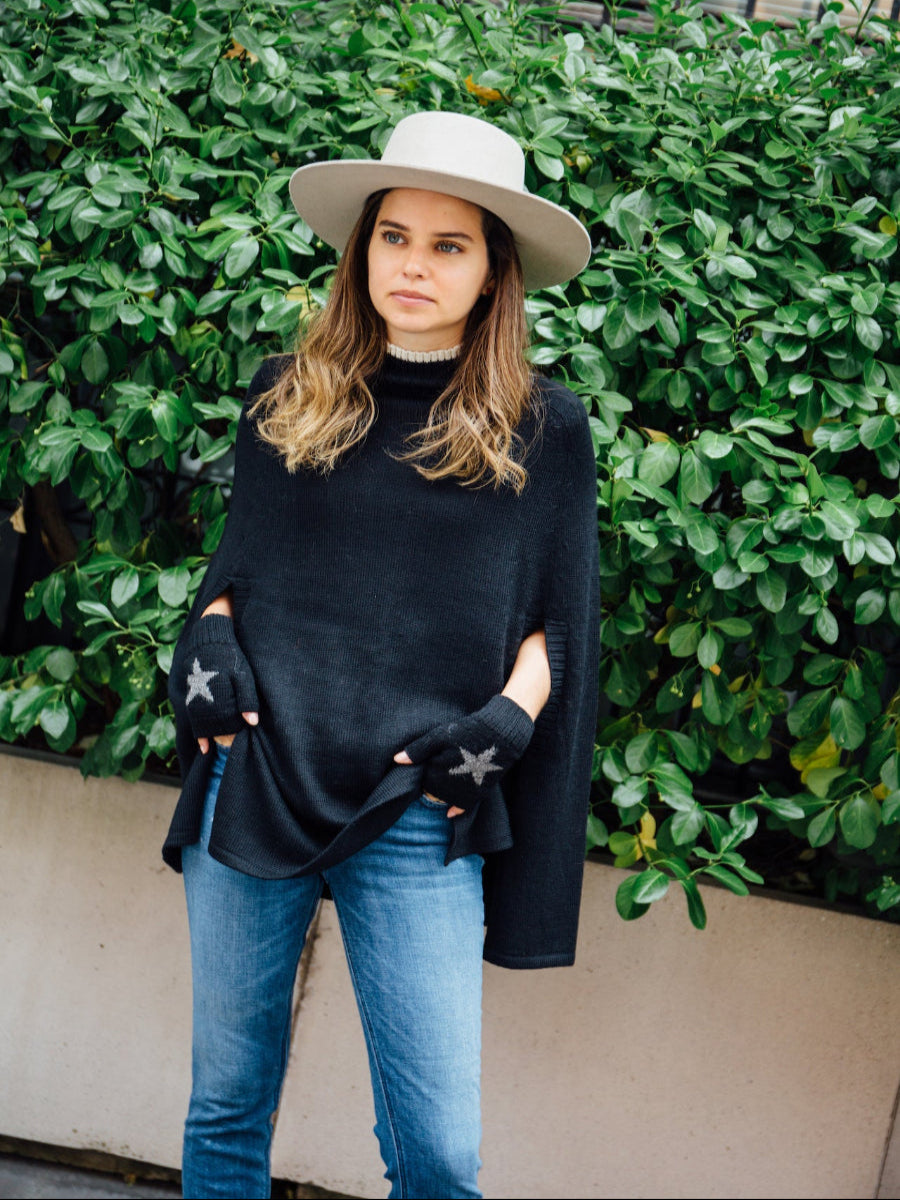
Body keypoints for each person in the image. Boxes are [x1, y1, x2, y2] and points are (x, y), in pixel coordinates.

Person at [163, 110, 599, 1200]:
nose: (414, 264)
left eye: (449, 246)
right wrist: (208, 639)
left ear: (494, 272)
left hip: (418, 805)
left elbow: (559, 621)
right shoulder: (286, 392)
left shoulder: (544, 427)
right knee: (225, 1106)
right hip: (257, 775)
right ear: (361, 250)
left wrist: (501, 728)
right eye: (394, 237)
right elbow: (236, 572)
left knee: (441, 1153)